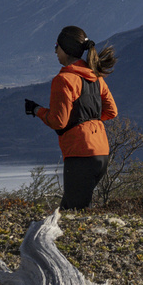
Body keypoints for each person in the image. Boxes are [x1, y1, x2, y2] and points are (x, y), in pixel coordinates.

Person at [26, 26, 119, 210]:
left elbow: (58, 121)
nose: (55, 51)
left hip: (79, 154)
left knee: (76, 213)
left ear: (66, 49)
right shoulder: (96, 78)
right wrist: (87, 122)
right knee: (67, 210)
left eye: (57, 46)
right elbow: (111, 112)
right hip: (101, 153)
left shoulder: (64, 80)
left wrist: (36, 110)